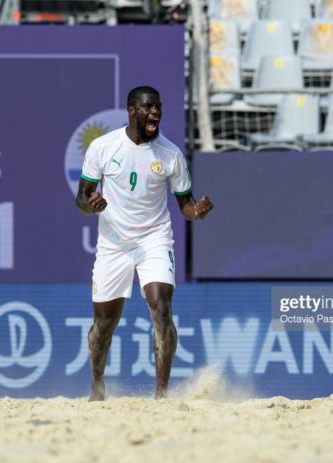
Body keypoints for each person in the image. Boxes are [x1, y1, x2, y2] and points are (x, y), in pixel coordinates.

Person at [75, 85, 213, 401]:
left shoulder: (170, 154)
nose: (156, 113)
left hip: (154, 238)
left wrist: (197, 211)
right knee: (104, 325)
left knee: (161, 308)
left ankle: (161, 396)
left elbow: (186, 205)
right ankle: (97, 387)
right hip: (113, 243)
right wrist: (90, 204)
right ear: (132, 110)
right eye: (149, 107)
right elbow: (82, 197)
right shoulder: (103, 147)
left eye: (159, 107)